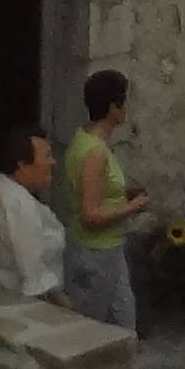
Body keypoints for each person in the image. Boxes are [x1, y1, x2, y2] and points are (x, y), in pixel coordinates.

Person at [62, 67, 146, 328]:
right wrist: (133, 207)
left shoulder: (83, 140)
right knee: (90, 329)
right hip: (96, 252)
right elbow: (91, 215)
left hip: (109, 249)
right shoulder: (95, 152)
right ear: (113, 108)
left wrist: (122, 196)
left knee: (124, 321)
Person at [0, 125, 68, 302]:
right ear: (22, 164)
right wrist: (58, 301)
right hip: (13, 296)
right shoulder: (19, 204)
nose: (53, 162)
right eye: (47, 156)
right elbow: (31, 268)